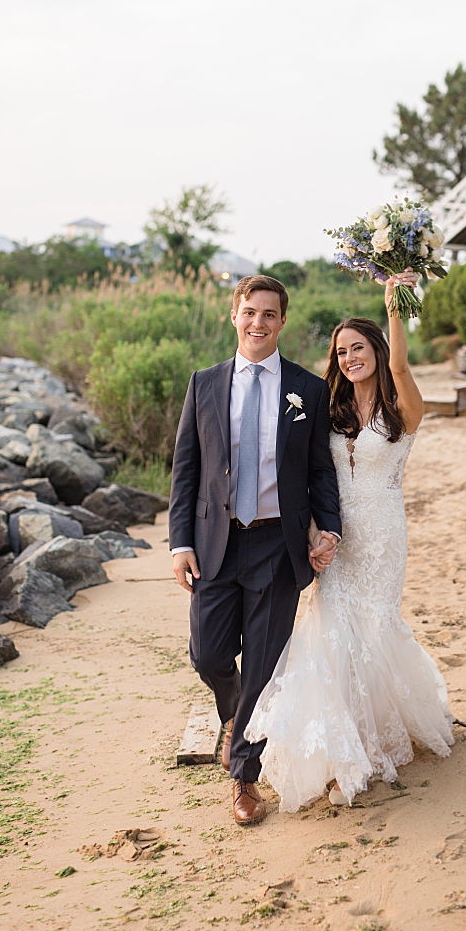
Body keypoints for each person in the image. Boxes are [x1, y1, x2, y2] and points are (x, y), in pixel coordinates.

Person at [246, 270, 454, 812]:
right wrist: (315, 530)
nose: (348, 359)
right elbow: (313, 476)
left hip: (383, 536)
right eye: (340, 352)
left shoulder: (403, 409)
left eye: (358, 348)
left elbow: (403, 364)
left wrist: (395, 306)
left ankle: (364, 741)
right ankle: (342, 752)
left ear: (378, 352)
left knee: (372, 632)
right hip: (338, 541)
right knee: (332, 636)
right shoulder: (331, 412)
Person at [168, 275, 343, 826]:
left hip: (276, 544)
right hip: (215, 543)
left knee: (264, 662)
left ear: (282, 321)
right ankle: (240, 710)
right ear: (233, 315)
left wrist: (328, 529)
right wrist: (179, 544)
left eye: (269, 314)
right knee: (209, 656)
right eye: (249, 312)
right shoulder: (205, 383)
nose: (258, 323)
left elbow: (320, 471)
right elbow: (186, 471)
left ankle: (243, 777)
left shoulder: (307, 390)